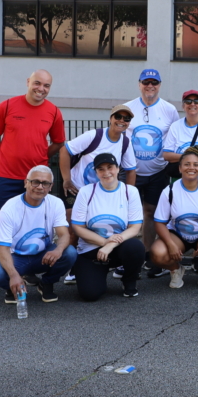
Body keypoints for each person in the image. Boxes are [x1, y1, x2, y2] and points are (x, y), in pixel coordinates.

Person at [0, 69, 66, 296]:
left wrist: (40, 158)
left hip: (37, 180)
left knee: (35, 226)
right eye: (37, 83)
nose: (41, 89)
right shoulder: (7, 106)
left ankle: (27, 269)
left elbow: (58, 142)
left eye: (46, 86)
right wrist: (3, 157)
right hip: (6, 176)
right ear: (28, 82)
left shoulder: (54, 112)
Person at [58, 104, 138, 286]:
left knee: (115, 225)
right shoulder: (94, 136)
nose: (122, 121)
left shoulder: (125, 142)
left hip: (104, 193)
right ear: (111, 118)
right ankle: (74, 267)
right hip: (77, 188)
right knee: (73, 229)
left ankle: (116, 260)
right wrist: (66, 179)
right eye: (118, 117)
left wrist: (127, 195)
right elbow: (65, 150)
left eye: (126, 119)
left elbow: (131, 170)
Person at [0, 165, 77, 304]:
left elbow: (64, 235)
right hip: (16, 257)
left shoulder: (56, 203)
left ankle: (46, 283)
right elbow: (2, 248)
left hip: (42, 255)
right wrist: (13, 275)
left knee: (70, 253)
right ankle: (13, 287)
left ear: (51, 186)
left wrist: (58, 250)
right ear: (26, 183)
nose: (40, 187)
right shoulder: (9, 208)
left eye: (45, 183)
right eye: (35, 182)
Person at [124, 68, 180, 278]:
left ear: (160, 85)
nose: (150, 86)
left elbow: (174, 138)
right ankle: (126, 256)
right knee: (128, 214)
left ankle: (147, 253)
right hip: (131, 171)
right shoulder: (128, 108)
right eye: (146, 82)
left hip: (158, 172)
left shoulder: (169, 110)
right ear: (139, 84)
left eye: (154, 83)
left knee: (151, 212)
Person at [70, 154, 146, 300]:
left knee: (135, 247)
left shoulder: (130, 191)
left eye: (110, 167)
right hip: (91, 249)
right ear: (96, 172)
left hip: (119, 247)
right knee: (89, 295)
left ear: (117, 169)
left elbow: (135, 227)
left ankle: (129, 280)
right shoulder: (86, 192)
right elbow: (78, 228)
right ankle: (98, 272)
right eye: (101, 169)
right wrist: (104, 242)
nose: (106, 172)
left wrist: (110, 245)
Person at [151, 147, 198, 289]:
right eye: (187, 164)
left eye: (195, 164)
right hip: (178, 235)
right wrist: (170, 244)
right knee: (158, 253)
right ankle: (176, 269)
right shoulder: (170, 190)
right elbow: (159, 222)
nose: (191, 168)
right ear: (180, 168)